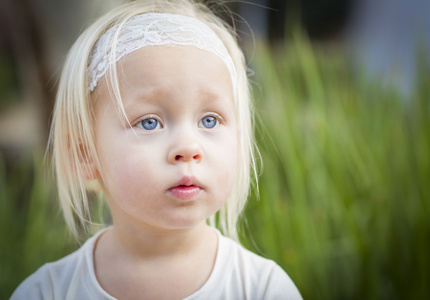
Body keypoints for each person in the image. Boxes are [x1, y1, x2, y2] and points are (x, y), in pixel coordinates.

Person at [11, 0, 302, 299]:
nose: (188, 147)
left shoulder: (263, 289)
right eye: (149, 123)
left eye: (210, 120)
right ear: (85, 153)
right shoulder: (46, 293)